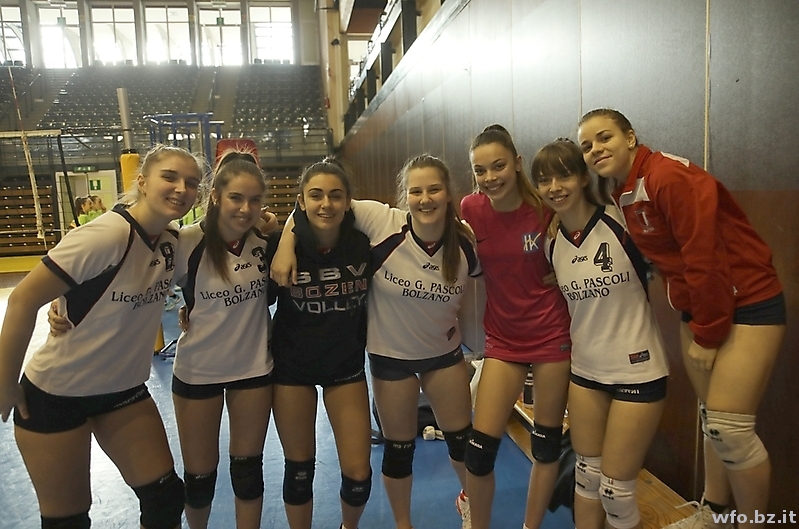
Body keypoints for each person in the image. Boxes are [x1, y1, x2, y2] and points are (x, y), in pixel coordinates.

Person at [577, 109, 785, 529]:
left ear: (630, 137)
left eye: (604, 138)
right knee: (713, 420)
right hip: (701, 308)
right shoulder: (624, 190)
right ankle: (715, 513)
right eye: (586, 145)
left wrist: (707, 334)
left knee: (731, 430)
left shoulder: (666, 176)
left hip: (747, 301)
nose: (595, 149)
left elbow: (705, 257)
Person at [0, 144, 203, 529]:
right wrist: (5, 382)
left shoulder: (173, 241)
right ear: (142, 181)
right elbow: (23, 300)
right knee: (68, 520)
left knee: (165, 499)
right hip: (57, 395)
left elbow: (228, 229)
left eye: (191, 183)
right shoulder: (107, 234)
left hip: (121, 392)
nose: (181, 188)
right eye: (170, 177)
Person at [272, 155, 479, 529]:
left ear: (449, 193)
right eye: (416, 191)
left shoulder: (463, 241)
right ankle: (403, 524)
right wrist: (286, 242)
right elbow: (310, 207)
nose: (425, 198)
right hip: (380, 360)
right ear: (405, 195)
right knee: (388, 453)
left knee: (459, 445)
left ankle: (471, 503)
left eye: (434, 189)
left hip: (433, 355)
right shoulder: (382, 222)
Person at [532, 138, 669, 529]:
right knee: (587, 479)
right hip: (585, 373)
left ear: (582, 177)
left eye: (563, 176)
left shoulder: (621, 221)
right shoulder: (551, 242)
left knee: (616, 493)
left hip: (638, 370)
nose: (554, 187)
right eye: (544, 180)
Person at [460, 125, 572, 529]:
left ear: (518, 163)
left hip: (551, 336)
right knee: (479, 451)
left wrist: (566, 270)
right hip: (503, 340)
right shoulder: (471, 209)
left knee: (546, 447)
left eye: (499, 166)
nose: (490, 177)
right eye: (480, 170)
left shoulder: (546, 207)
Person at [269, 159, 374, 529]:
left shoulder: (364, 244)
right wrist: (191, 304)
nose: (326, 204)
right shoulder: (280, 248)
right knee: (299, 470)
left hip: (345, 366)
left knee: (358, 474)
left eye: (335, 195)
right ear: (301, 201)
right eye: (316, 195)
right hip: (292, 368)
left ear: (347, 202)